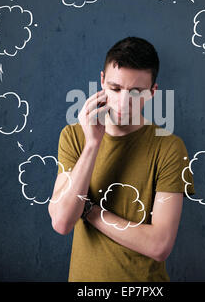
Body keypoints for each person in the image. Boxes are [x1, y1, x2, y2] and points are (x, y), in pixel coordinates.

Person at [48, 36, 195, 282]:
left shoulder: (169, 148)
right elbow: (62, 222)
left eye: (136, 92)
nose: (123, 102)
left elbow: (159, 245)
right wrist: (92, 144)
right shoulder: (74, 137)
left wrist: (88, 210)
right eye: (115, 88)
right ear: (102, 81)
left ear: (152, 93)